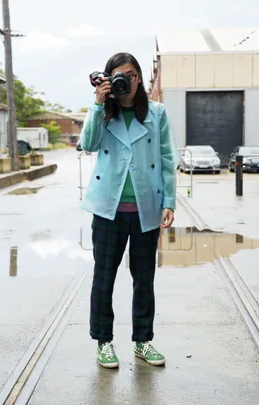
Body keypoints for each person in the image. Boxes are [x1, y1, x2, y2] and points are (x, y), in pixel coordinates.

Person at [80, 52, 178, 369]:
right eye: (120, 76)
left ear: (138, 78)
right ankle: (104, 342)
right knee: (103, 278)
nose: (127, 82)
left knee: (144, 279)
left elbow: (166, 159)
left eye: (132, 75)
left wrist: (169, 201)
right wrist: (98, 103)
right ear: (109, 79)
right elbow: (89, 144)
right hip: (108, 210)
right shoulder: (103, 113)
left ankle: (142, 341)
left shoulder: (156, 113)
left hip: (145, 209)